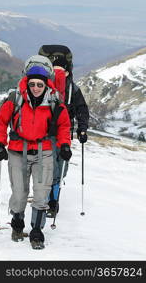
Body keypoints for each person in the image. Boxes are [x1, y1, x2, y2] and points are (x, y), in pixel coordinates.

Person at [0, 63, 72, 249]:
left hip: (43, 150)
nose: (36, 88)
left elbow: (63, 126)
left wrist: (65, 145)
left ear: (46, 85)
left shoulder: (54, 101)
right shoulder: (15, 99)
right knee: (19, 193)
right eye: (33, 84)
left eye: (40, 85)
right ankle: (18, 222)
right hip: (17, 150)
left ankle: (37, 231)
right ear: (27, 83)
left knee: (41, 193)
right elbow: (1, 122)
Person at [46, 55, 89, 217]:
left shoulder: (71, 89)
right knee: (55, 168)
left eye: (60, 71)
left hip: (60, 134)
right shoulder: (71, 89)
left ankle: (52, 199)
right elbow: (82, 110)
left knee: (60, 169)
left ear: (66, 72)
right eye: (55, 70)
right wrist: (82, 129)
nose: (58, 74)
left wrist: (82, 129)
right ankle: (52, 202)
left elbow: (82, 110)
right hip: (51, 135)